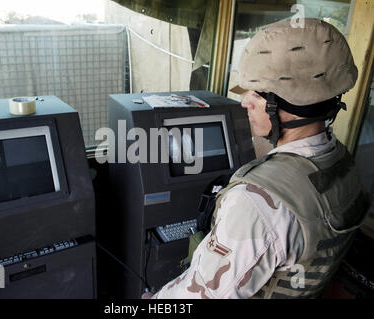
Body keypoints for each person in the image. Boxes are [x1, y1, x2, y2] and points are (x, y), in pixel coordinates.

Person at [142, 18, 371, 299]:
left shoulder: (256, 201)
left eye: (257, 93)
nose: (244, 102)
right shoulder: (341, 162)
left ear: (286, 104)